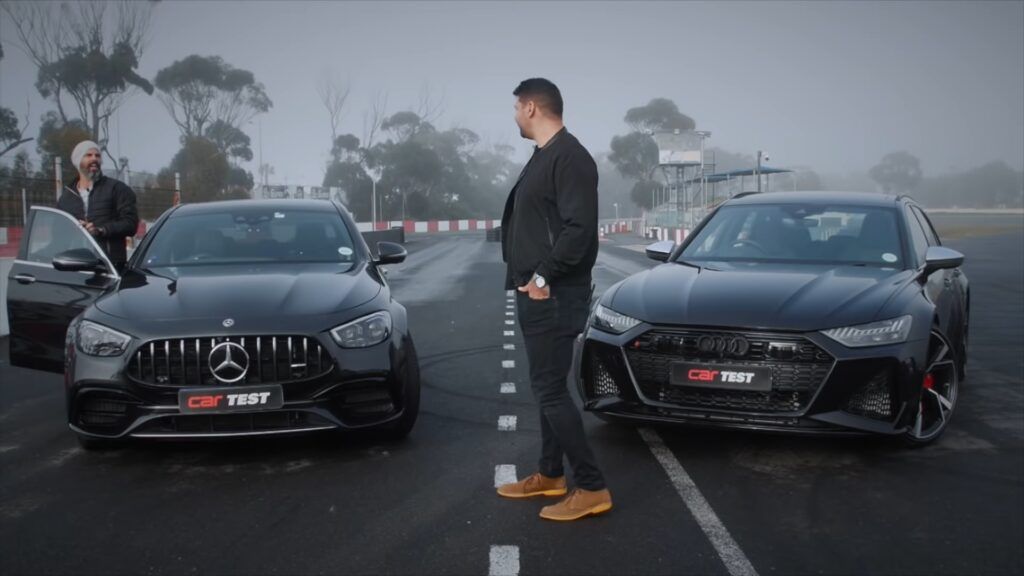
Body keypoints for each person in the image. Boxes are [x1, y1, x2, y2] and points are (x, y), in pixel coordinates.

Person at [497, 78, 612, 521]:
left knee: (548, 388)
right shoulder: (545, 157)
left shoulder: (570, 157)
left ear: (530, 107)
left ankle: (591, 486)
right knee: (547, 387)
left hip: (554, 292)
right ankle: (549, 475)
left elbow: (579, 229)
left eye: (514, 108)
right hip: (538, 289)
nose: (513, 116)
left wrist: (543, 274)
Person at [57, 140, 139, 271]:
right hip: (75, 269)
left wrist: (101, 230)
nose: (94, 159)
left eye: (98, 156)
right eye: (88, 155)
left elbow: (130, 224)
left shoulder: (117, 189)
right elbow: (58, 235)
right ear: (78, 161)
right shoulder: (65, 198)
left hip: (110, 268)